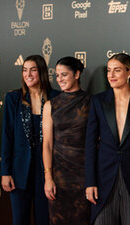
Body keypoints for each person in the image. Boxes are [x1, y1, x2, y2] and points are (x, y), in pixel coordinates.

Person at [85, 53, 130, 225]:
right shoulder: (99, 101)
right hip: (104, 179)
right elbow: (90, 144)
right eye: (109, 71)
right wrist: (90, 182)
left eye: (117, 70)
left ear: (129, 72)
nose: (111, 75)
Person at [0, 55, 60, 225]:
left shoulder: (56, 97)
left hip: (47, 171)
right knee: (20, 219)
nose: (28, 74)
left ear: (42, 72)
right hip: (19, 171)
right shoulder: (13, 98)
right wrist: (5, 172)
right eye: (24, 70)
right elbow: (7, 136)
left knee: (44, 219)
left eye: (33, 70)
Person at [42, 56, 91, 225]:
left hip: (84, 175)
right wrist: (48, 177)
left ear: (77, 74)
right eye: (57, 75)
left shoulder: (90, 102)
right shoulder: (50, 105)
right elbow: (47, 144)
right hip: (59, 176)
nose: (59, 79)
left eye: (64, 75)